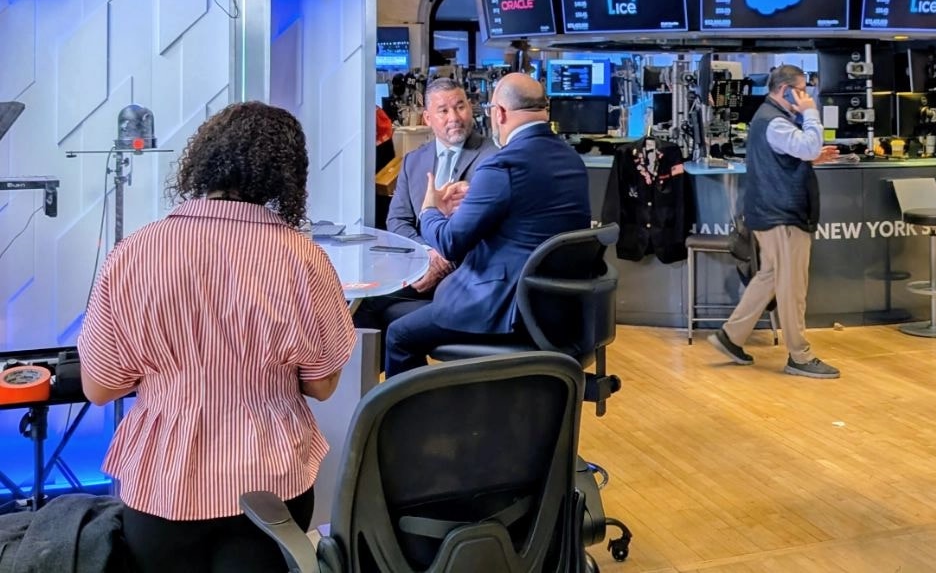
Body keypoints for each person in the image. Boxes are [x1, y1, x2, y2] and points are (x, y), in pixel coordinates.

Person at [77, 102, 356, 573]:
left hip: (163, 481)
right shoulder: (304, 259)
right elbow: (323, 385)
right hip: (269, 483)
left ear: (203, 159)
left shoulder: (135, 252)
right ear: (286, 176)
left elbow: (99, 388)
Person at [384, 73, 591, 375]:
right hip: (557, 308)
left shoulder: (502, 164)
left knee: (399, 335)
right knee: (395, 310)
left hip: (503, 307)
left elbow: (450, 242)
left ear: (500, 113)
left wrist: (430, 210)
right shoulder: (571, 159)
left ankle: (420, 408)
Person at [709, 65, 841, 379]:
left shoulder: (768, 118)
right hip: (782, 215)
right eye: (802, 90)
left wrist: (811, 156)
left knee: (770, 276)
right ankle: (799, 355)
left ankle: (731, 336)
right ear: (785, 90)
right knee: (792, 287)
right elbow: (807, 144)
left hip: (769, 212)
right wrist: (811, 113)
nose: (806, 96)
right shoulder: (776, 121)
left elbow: (794, 153)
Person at [357, 77, 498, 333]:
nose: (454, 117)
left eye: (460, 106)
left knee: (385, 315)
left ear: (470, 108)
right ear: (427, 118)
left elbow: (489, 229)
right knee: (360, 302)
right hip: (419, 266)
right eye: (443, 110)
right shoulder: (413, 161)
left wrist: (444, 261)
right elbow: (397, 220)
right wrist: (428, 255)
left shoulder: (493, 158)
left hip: (468, 275)